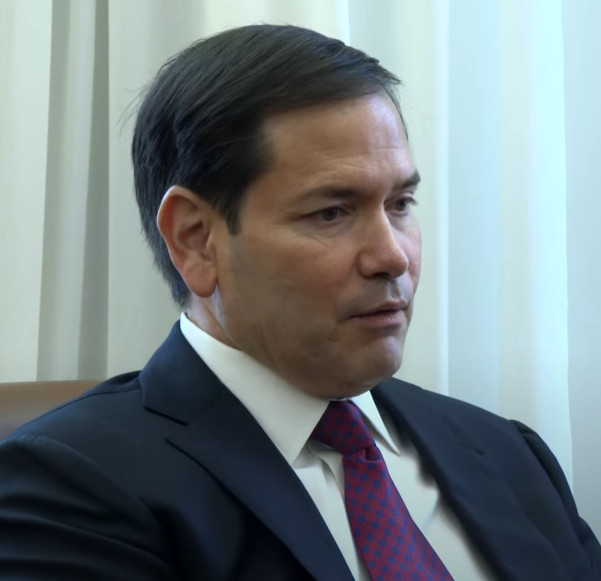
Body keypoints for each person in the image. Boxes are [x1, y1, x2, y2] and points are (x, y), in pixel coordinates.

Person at [0, 24, 599, 581]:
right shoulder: (68, 487)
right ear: (196, 239)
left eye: (400, 205)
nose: (392, 257)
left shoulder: (509, 453)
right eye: (331, 212)